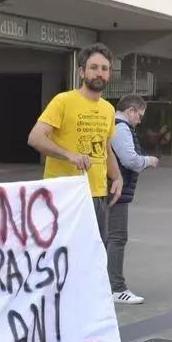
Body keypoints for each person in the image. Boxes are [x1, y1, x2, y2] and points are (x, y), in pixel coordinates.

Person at [28, 44, 123, 248]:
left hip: (97, 195)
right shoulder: (63, 101)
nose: (99, 73)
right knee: (61, 253)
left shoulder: (108, 109)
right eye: (94, 67)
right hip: (64, 193)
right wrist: (69, 155)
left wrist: (117, 177)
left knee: (94, 254)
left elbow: (106, 150)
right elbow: (35, 137)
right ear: (81, 72)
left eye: (104, 69)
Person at [108, 95, 159, 305]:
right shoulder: (121, 128)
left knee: (109, 238)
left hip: (112, 189)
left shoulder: (115, 125)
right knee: (117, 238)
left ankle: (108, 284)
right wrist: (149, 160)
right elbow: (129, 160)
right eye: (140, 115)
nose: (140, 120)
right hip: (115, 190)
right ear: (131, 110)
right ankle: (116, 287)